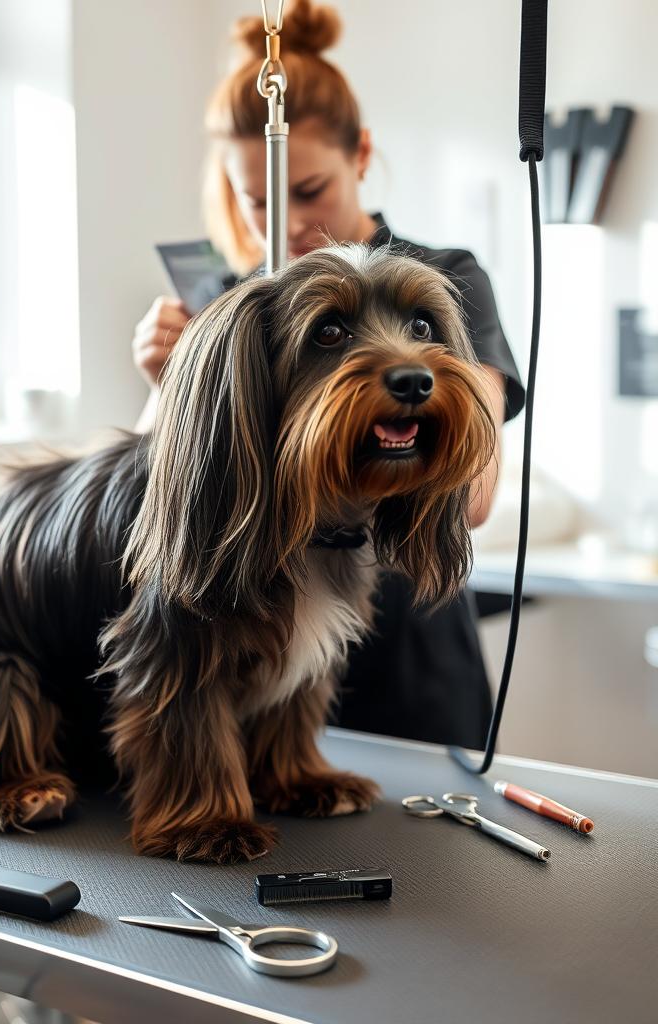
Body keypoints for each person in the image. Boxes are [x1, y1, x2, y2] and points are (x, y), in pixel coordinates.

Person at [131, 0, 526, 750]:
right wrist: (167, 388)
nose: (286, 226)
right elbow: (163, 504)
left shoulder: (443, 283)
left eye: (308, 191)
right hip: (246, 670)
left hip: (404, 672)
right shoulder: (239, 313)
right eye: (256, 202)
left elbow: (471, 496)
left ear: (362, 155)